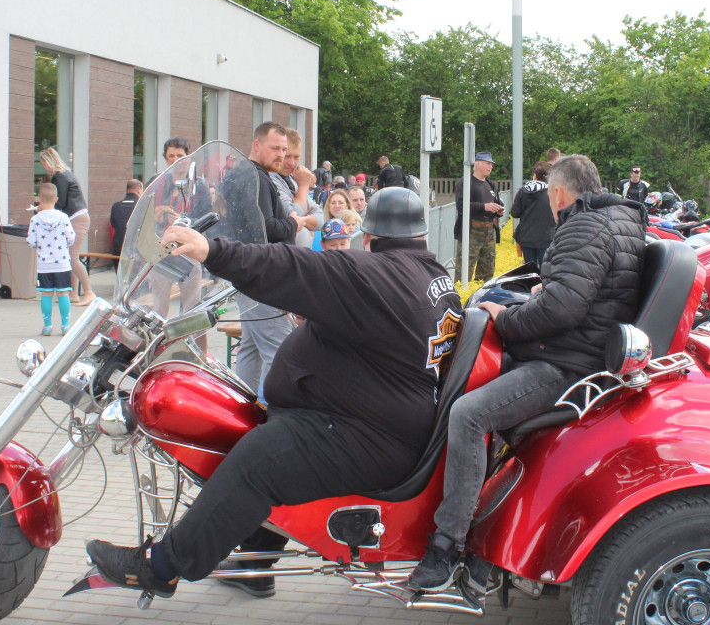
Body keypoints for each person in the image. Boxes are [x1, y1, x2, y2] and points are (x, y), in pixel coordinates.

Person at [85, 188, 463, 599]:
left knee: (258, 461)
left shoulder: (376, 274)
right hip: (379, 423)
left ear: (368, 237)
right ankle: (255, 562)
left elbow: (292, 265)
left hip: (369, 435)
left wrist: (211, 251)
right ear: (420, 235)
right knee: (274, 443)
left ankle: (162, 567)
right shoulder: (433, 277)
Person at [409, 154, 646, 592]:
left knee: (468, 414)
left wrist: (504, 318)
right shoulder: (620, 220)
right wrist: (543, 289)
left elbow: (562, 309)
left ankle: (447, 545)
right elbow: (589, 291)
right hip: (587, 353)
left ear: (557, 193)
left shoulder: (584, 225)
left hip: (565, 365)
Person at [231, 122, 301, 404]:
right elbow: (266, 227)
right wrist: (293, 223)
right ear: (257, 145)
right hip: (262, 276)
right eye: (275, 148)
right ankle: (276, 415)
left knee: (250, 348)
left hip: (249, 274)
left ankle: (241, 409)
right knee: (280, 350)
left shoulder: (244, 174)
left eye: (284, 149)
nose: (281, 155)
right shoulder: (255, 177)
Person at [39, 146, 94, 306]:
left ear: (49, 162)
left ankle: (89, 292)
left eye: (43, 163)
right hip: (78, 216)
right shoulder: (67, 174)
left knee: (72, 257)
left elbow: (60, 203)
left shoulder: (60, 177)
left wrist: (43, 208)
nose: (43, 167)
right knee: (70, 256)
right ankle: (72, 293)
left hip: (76, 218)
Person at [26, 182, 76, 336]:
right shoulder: (63, 217)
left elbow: (31, 241)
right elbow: (71, 238)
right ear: (56, 199)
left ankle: (47, 326)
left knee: (46, 294)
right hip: (62, 263)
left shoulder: (35, 219)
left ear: (39, 199)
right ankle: (65, 326)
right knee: (63, 293)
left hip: (44, 265)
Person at [453, 151, 504, 282]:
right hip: (472, 231)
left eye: (491, 164)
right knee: (464, 271)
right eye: (487, 163)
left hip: (489, 231)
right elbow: (461, 206)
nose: (491, 166)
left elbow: (497, 203)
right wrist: (484, 207)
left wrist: (499, 210)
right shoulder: (465, 182)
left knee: (488, 270)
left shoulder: (491, 184)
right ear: (477, 163)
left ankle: (481, 293)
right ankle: (461, 294)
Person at [270, 128, 321, 249]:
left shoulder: (293, 180)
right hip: (282, 253)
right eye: (287, 156)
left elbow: (320, 217)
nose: (292, 163)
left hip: (299, 254)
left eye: (296, 157)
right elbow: (291, 216)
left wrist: (303, 221)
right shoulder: (270, 179)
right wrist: (303, 186)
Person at [510, 161, 556, 265]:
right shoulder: (552, 192)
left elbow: (514, 213)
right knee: (545, 268)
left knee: (530, 269)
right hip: (546, 238)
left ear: (534, 175)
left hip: (526, 238)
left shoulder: (523, 191)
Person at [109, 179, 142, 259]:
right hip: (136, 251)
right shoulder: (141, 205)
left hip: (118, 250)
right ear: (139, 190)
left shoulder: (116, 206)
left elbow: (113, 224)